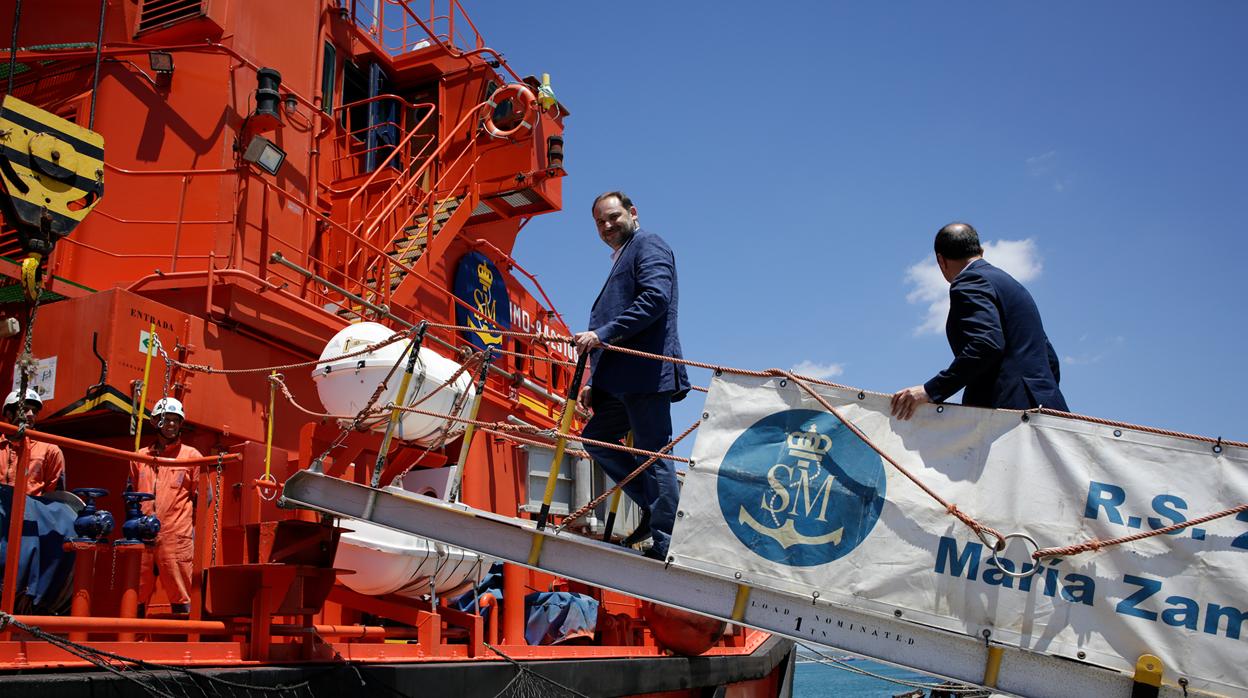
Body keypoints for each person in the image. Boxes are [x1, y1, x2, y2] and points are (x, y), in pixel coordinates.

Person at [573, 191, 690, 561]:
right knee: (597, 439)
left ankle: (670, 539)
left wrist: (602, 335)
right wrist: (595, 380)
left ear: (633, 212)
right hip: (619, 381)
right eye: (600, 222)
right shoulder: (624, 255)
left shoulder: (649, 244)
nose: (607, 226)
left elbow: (655, 299)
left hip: (645, 372)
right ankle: (664, 509)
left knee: (653, 454)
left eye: (613, 217)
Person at [891, 222, 1069, 420]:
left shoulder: (969, 282)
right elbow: (1049, 357)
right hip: (1050, 409)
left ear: (941, 261)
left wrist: (930, 390)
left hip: (1009, 416)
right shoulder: (1012, 285)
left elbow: (986, 344)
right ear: (981, 251)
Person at [129, 397, 202, 615]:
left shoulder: (191, 457)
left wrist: (187, 528)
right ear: (155, 422)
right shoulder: (139, 457)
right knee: (137, 593)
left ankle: (184, 646)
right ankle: (134, 643)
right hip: (142, 535)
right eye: (165, 419)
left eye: (175, 420)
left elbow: (202, 498)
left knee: (181, 595)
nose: (171, 424)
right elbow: (132, 494)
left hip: (175, 536)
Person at [0, 389, 66, 496]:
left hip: (30, 511)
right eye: (25, 409)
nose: (30, 414)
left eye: (34, 412)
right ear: (9, 413)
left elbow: (54, 496)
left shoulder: (50, 450)